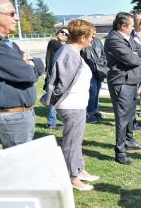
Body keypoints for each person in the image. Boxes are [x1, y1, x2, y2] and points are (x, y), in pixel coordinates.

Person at [42, 19, 99, 191]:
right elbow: (61, 84)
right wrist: (53, 99)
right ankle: (71, 176)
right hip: (70, 105)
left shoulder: (72, 52)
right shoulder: (68, 53)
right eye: (91, 37)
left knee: (76, 140)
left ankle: (79, 169)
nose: (92, 40)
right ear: (82, 37)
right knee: (71, 142)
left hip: (77, 104)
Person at [0, 0, 44, 149]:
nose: (17, 18)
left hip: (19, 115)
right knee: (20, 167)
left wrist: (31, 63)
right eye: (11, 14)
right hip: (10, 117)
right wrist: (28, 65)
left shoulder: (7, 43)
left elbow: (39, 65)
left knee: (22, 163)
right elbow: (27, 75)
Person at [104, 12, 141, 165]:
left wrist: (135, 53)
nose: (133, 28)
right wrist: (135, 55)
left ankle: (129, 140)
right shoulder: (114, 40)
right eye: (131, 26)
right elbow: (132, 59)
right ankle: (120, 151)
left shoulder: (126, 38)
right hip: (121, 83)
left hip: (131, 81)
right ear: (122, 26)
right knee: (122, 117)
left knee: (130, 115)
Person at [44, 27, 69, 130]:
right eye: (62, 32)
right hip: (53, 76)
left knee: (58, 99)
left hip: (60, 75)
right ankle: (51, 123)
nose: (64, 34)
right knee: (53, 99)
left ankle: (55, 121)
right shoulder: (53, 42)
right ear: (57, 33)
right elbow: (64, 50)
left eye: (67, 34)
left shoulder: (63, 45)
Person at [81, 36, 108, 124]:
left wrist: (103, 64)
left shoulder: (97, 41)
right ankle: (89, 113)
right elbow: (84, 57)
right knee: (92, 91)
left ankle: (94, 110)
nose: (94, 33)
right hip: (89, 71)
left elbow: (104, 54)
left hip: (99, 70)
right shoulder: (83, 42)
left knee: (97, 91)